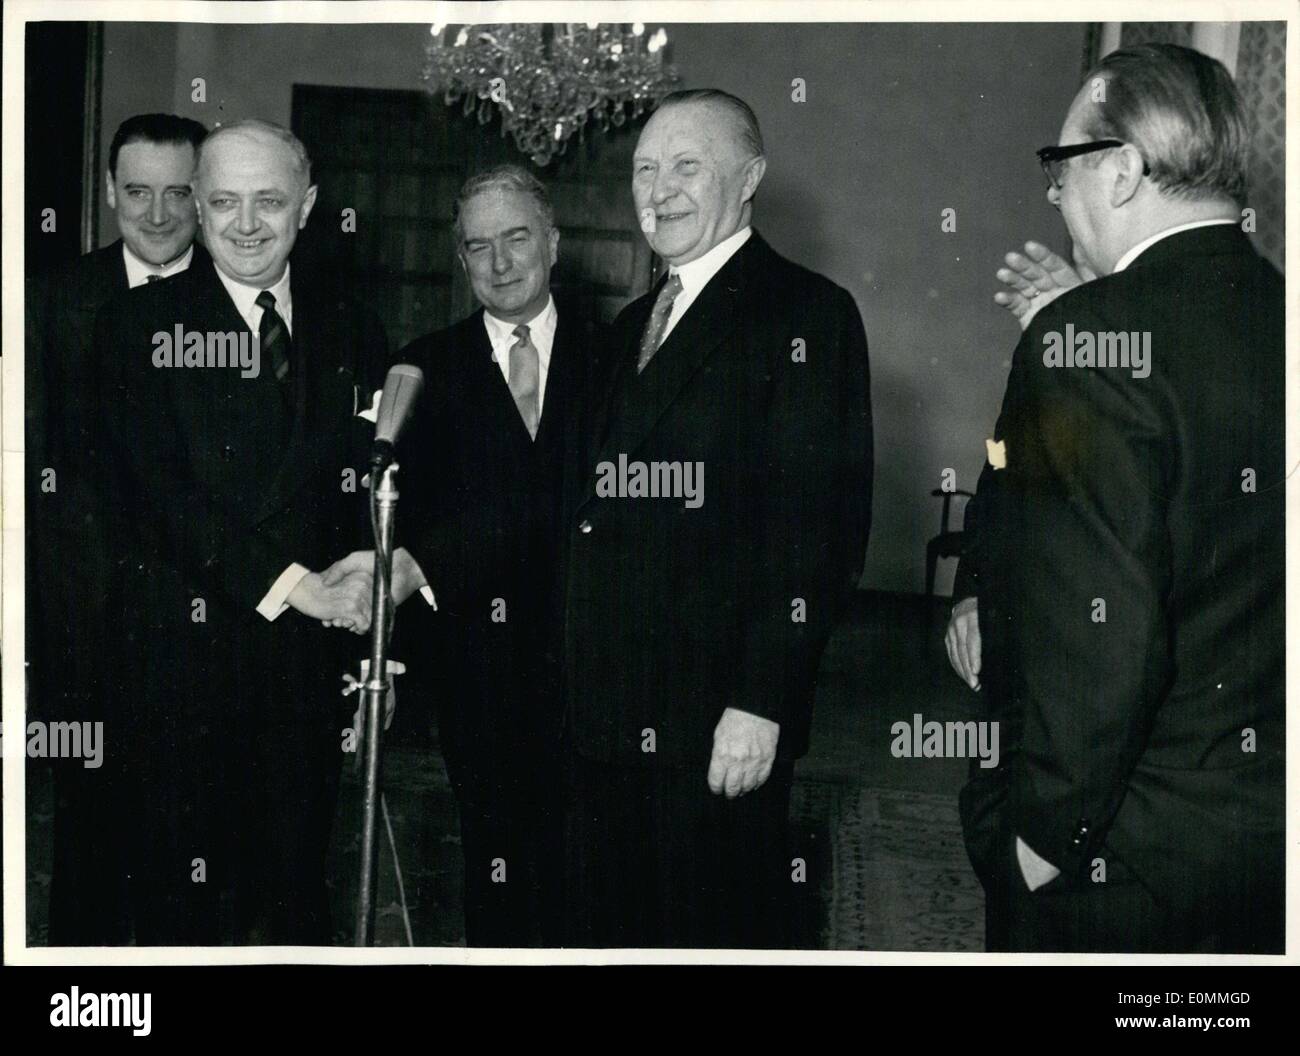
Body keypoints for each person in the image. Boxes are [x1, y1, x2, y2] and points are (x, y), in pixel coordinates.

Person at [948, 43, 1284, 953]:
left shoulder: (1087, 337)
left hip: (1117, 859)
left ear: (1125, 170)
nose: (1053, 195)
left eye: (1061, 167)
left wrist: (1037, 841)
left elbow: (1106, 634)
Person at [558, 89, 873, 948]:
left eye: (686, 166)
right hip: (607, 715)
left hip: (712, 719)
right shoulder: (629, 328)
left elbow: (819, 530)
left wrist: (762, 701)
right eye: (644, 169)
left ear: (750, 179)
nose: (658, 190)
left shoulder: (806, 316)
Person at [95, 119, 386, 944]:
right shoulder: (137, 326)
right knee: (180, 916)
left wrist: (372, 622)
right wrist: (302, 587)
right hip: (178, 678)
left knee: (294, 904)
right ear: (197, 205)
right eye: (223, 201)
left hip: (303, 677)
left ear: (309, 206)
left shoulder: (352, 326)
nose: (247, 223)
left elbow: (372, 489)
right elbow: (161, 498)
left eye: (270, 201)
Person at [349, 165, 594, 946]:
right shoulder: (423, 367)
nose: (499, 261)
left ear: (553, 243)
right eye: (478, 246)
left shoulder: (619, 356)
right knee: (497, 866)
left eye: (516, 237)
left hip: (600, 664)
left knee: (596, 871)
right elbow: (393, 513)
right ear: (460, 260)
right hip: (478, 673)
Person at [26, 112, 208, 944]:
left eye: (180, 193)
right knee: (90, 848)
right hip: (86, 627)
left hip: (207, 623)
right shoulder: (50, 302)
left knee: (195, 849)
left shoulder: (241, 302)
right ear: (109, 194)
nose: (161, 214)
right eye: (140, 192)